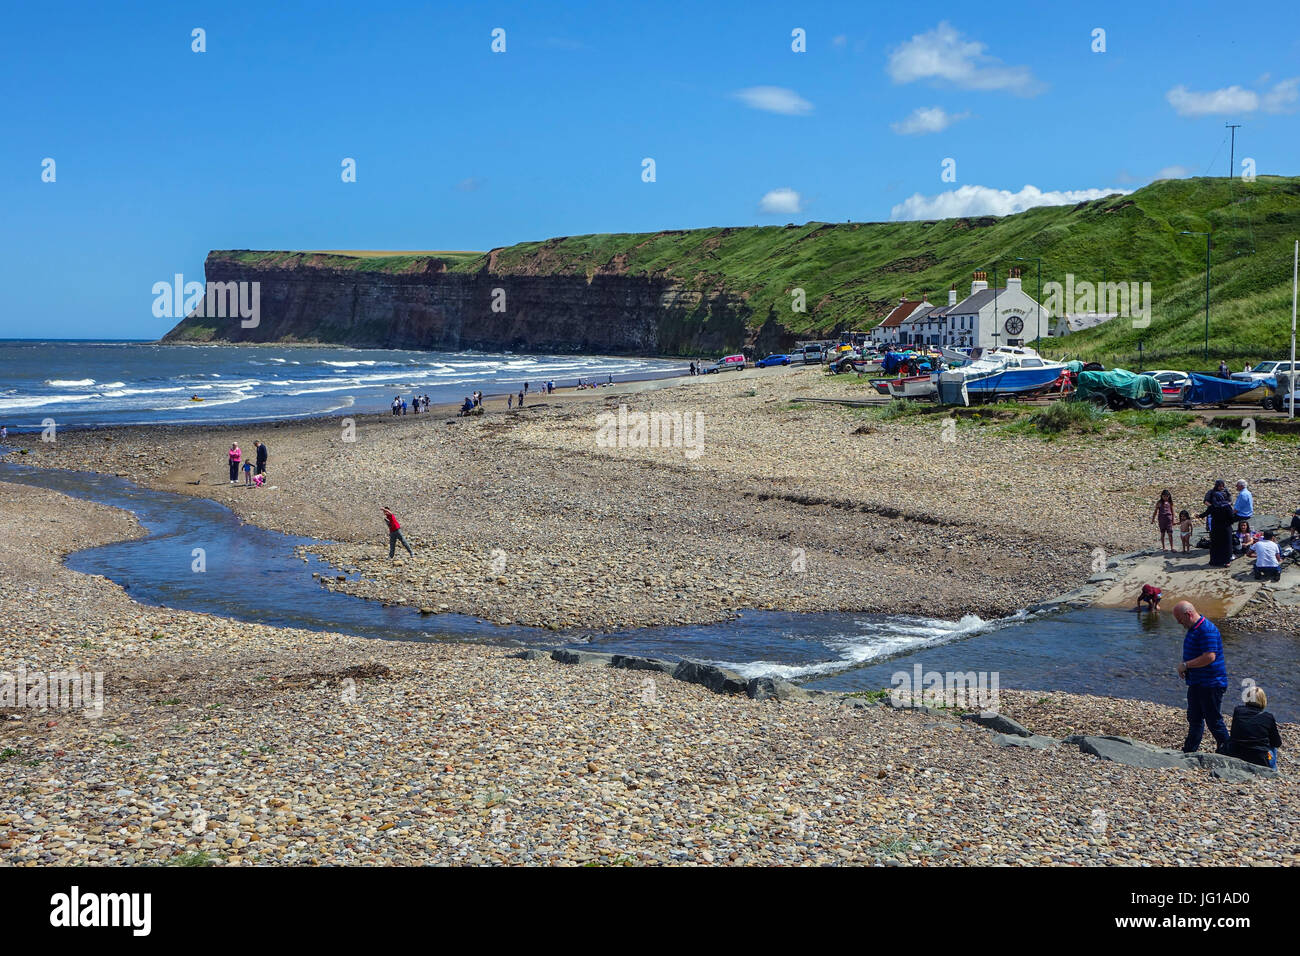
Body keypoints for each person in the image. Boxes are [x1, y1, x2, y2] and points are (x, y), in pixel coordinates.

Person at [1173, 601, 1229, 753]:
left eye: (1179, 619)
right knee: (1194, 718)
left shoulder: (1206, 629)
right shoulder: (1194, 628)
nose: (1178, 622)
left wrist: (1186, 665)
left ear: (1188, 614)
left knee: (1213, 720)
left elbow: (1209, 657)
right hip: (1197, 682)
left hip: (1211, 683)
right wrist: (1187, 667)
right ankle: (1190, 750)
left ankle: (1228, 749)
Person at [1227, 685, 1282, 768]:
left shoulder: (1238, 711)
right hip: (1259, 759)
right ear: (1263, 700)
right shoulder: (1268, 717)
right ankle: (1273, 772)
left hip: (1236, 753)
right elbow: (1277, 743)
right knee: (1273, 748)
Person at [1199, 480, 1233, 567]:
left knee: (1215, 544)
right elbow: (1231, 517)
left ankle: (1215, 561)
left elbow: (1205, 513)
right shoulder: (1227, 506)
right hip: (1225, 526)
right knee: (1227, 543)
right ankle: (1227, 561)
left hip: (1215, 525)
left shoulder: (1213, 506)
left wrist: (1199, 516)